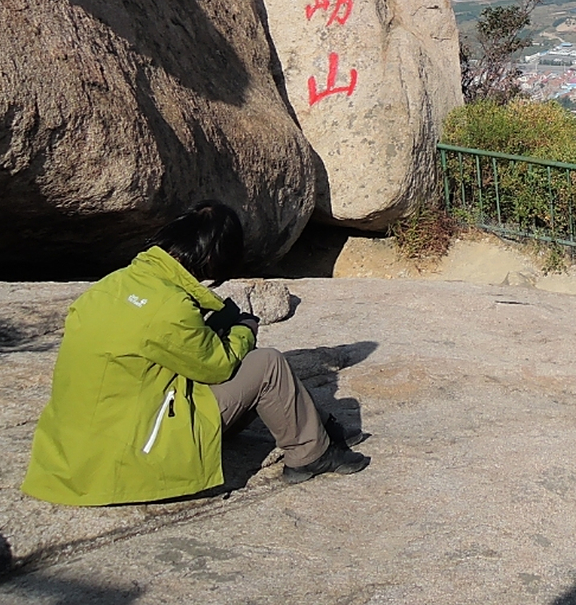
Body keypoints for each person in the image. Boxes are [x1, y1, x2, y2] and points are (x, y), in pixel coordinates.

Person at [23, 202, 367, 505]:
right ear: (215, 258)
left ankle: (318, 425)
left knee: (241, 365)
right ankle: (310, 454)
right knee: (266, 364)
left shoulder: (111, 285)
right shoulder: (169, 307)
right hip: (129, 458)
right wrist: (244, 330)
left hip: (72, 455)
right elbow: (218, 367)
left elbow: (158, 349)